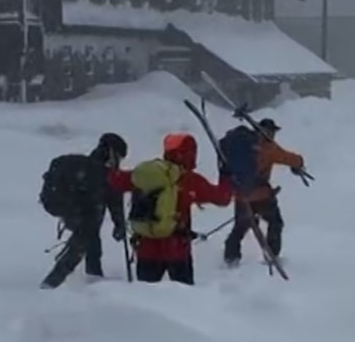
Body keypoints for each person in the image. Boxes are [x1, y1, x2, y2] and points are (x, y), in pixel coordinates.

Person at [109, 132, 233, 285]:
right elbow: (223, 198)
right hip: (177, 250)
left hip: (146, 249)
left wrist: (112, 162)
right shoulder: (190, 180)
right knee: (184, 295)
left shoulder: (147, 175)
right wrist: (226, 176)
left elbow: (116, 181)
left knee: (145, 295)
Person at [40, 132, 129, 288]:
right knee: (84, 239)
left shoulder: (82, 165)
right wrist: (119, 224)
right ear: (113, 153)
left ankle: (93, 276)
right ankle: (52, 283)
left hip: (66, 206)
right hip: (81, 211)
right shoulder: (104, 173)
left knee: (90, 237)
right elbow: (114, 201)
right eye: (119, 157)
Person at [223, 118, 306, 267]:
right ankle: (272, 255)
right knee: (275, 222)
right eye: (272, 131)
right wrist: (299, 162)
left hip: (242, 195)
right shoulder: (268, 147)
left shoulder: (244, 145)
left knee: (240, 228)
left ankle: (231, 258)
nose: (273, 135)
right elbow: (289, 158)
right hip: (262, 196)